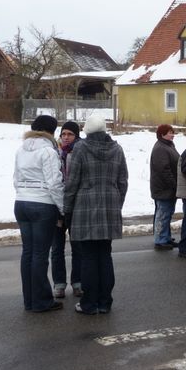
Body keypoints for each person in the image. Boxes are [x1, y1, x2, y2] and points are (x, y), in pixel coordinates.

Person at [65, 115, 128, 314]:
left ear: (87, 131)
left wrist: (67, 209)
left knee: (89, 257)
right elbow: (123, 182)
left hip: (85, 209)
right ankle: (105, 302)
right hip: (110, 208)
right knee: (105, 255)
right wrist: (116, 203)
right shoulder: (117, 149)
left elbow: (72, 182)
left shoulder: (80, 148)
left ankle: (89, 303)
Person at [14, 115, 64, 312]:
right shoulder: (48, 151)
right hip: (42, 204)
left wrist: (23, 194)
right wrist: (62, 208)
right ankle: (42, 301)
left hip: (21, 203)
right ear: (51, 131)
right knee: (40, 255)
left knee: (27, 252)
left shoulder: (21, 150)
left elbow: (16, 178)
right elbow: (54, 183)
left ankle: (29, 300)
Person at [51, 120, 83, 298]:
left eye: (70, 134)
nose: (66, 137)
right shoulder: (55, 152)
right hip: (57, 206)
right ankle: (59, 284)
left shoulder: (80, 152)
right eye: (63, 134)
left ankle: (77, 282)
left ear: (76, 135)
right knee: (57, 248)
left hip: (75, 205)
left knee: (77, 247)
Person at [150, 124, 180, 250]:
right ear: (162, 134)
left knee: (167, 214)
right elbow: (164, 170)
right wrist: (174, 184)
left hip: (168, 188)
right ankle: (160, 240)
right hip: (163, 189)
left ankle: (166, 237)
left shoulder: (168, 145)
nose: (173, 135)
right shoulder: (160, 148)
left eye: (173, 132)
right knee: (163, 215)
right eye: (170, 133)